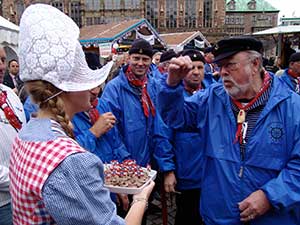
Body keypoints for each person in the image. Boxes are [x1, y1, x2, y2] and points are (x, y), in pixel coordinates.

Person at [9, 4, 154, 225]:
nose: (93, 89)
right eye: (85, 82)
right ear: (67, 89)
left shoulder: (28, 133)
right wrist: (141, 198)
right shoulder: (70, 161)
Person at [157, 36, 300, 225]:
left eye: (230, 65)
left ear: (255, 64)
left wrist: (270, 196)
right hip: (219, 216)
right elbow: (175, 118)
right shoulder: (211, 98)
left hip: (273, 218)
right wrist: (172, 85)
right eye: (219, 65)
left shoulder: (292, 106)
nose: (222, 72)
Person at [101, 38, 173, 224]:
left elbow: (160, 128)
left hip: (148, 166)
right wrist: (128, 165)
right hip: (126, 168)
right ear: (128, 58)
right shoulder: (114, 89)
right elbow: (111, 133)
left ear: (151, 61)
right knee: (125, 216)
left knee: (144, 211)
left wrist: (166, 167)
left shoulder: (153, 86)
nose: (140, 63)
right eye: (136, 58)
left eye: (145, 59)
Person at [155, 49, 205, 225]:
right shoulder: (171, 95)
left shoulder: (210, 93)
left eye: (200, 67)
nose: (196, 72)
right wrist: (168, 170)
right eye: (192, 68)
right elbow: (162, 135)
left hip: (208, 173)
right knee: (187, 215)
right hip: (186, 171)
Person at [0, 47, 26, 225]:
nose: (1, 66)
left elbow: (24, 137)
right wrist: (20, 180)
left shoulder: (10, 94)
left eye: (2, 60)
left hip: (20, 197)